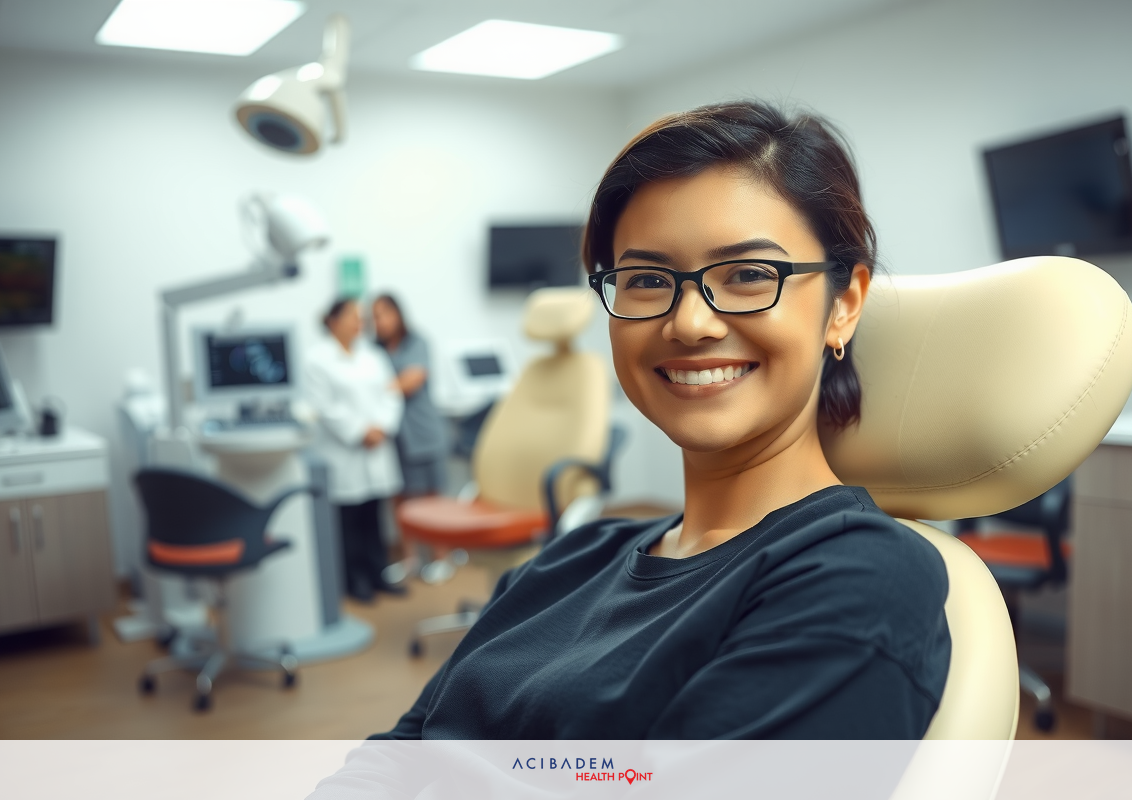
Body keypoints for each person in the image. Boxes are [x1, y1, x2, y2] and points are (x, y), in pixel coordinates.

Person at [371, 101, 951, 738]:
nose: (689, 323)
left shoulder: (857, 577)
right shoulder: (570, 559)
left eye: (749, 274)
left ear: (844, 305)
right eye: (646, 279)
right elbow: (400, 747)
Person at [306, 298, 407, 603]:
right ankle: (354, 580)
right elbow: (323, 406)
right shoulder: (316, 359)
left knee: (374, 515)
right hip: (343, 449)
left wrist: (382, 427)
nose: (359, 322)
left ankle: (378, 574)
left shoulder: (373, 355)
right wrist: (360, 432)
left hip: (377, 447)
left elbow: (391, 393)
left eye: (361, 317)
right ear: (332, 321)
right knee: (347, 520)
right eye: (352, 316)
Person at [371, 293, 455, 584]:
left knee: (433, 499)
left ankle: (441, 559)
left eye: (385, 314)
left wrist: (374, 391)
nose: (380, 322)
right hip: (395, 438)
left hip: (424, 432)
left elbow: (412, 381)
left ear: (398, 314)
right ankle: (410, 559)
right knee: (401, 501)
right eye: (375, 316)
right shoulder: (373, 349)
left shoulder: (417, 342)